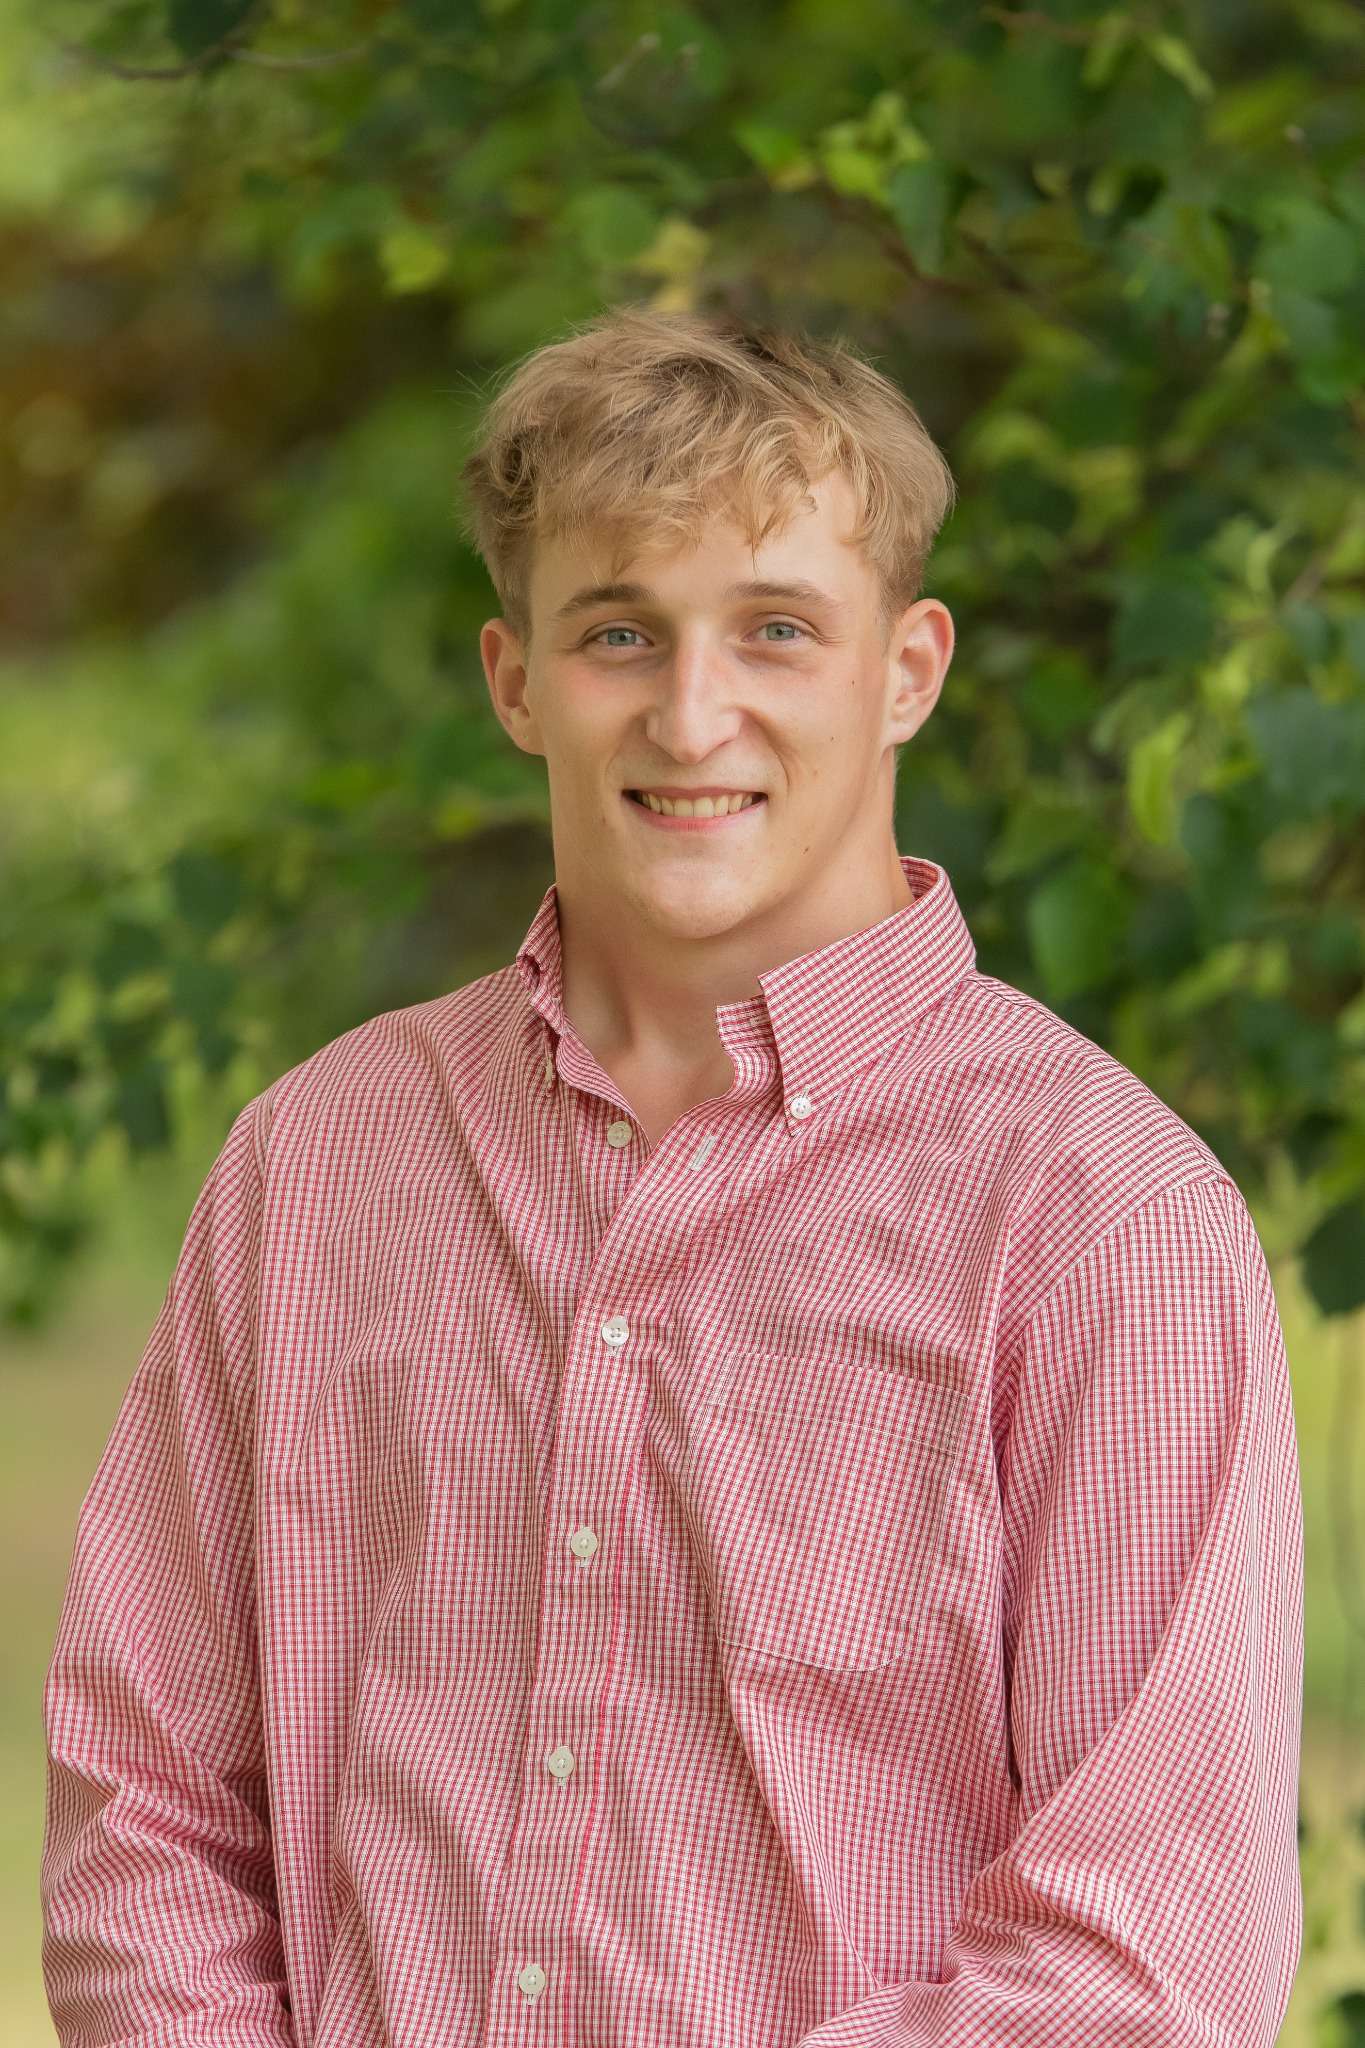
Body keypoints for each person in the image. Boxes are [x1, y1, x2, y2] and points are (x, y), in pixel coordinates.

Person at [41, 306, 1304, 2046]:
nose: (692, 713)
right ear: (514, 681)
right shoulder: (316, 1166)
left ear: (909, 667)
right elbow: (147, 1799)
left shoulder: (1097, 1213)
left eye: (776, 630)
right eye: (618, 632)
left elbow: (1142, 1962)